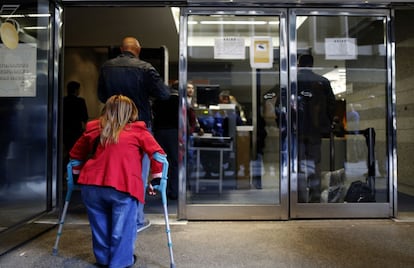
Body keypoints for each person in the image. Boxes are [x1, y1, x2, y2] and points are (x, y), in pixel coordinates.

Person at [69, 95, 165, 267]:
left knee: (100, 227)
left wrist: (76, 176)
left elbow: (75, 156)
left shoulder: (94, 129)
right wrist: (157, 179)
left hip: (91, 186)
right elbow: (158, 155)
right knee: (121, 230)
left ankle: (103, 260)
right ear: (131, 112)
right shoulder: (138, 131)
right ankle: (120, 262)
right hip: (123, 186)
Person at [97, 36, 170, 232]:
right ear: (138, 50)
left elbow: (102, 96)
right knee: (138, 173)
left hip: (111, 125)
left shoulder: (106, 67)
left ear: (122, 49)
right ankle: (136, 219)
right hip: (139, 124)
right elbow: (164, 94)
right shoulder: (145, 68)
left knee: (113, 169)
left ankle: (114, 216)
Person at [296, 54, 336, 203]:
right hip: (315, 131)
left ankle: (299, 199)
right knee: (315, 164)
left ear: (299, 64)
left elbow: (281, 105)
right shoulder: (323, 81)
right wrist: (325, 122)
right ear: (312, 64)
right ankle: (315, 198)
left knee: (298, 165)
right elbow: (332, 104)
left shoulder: (292, 81)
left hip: (297, 131)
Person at [152, 81, 179, 200]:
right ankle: (174, 191)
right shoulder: (178, 101)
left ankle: (163, 188)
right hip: (173, 132)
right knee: (175, 162)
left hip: (159, 132)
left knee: (162, 161)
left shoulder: (157, 101)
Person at [63, 81, 88, 152]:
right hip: (76, 129)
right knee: (75, 149)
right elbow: (85, 116)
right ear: (76, 90)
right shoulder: (80, 101)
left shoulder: (63, 100)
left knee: (67, 148)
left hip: (65, 129)